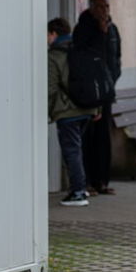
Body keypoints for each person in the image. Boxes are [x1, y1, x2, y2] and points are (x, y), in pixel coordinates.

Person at [47, 17, 96, 207]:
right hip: (87, 107)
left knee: (71, 151)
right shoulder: (81, 48)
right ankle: (82, 186)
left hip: (67, 110)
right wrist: (97, 107)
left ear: (54, 34)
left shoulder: (54, 55)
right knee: (78, 149)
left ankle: (78, 192)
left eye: (47, 35)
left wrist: (49, 111)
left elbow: (51, 88)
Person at [77, 0, 123, 195]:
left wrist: (111, 81)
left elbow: (116, 58)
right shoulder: (84, 28)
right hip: (89, 94)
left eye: (107, 6)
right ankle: (86, 181)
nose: (105, 10)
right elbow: (82, 57)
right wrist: (100, 33)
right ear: (92, 8)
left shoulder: (112, 29)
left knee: (103, 138)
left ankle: (102, 181)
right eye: (100, 7)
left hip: (106, 93)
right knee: (88, 138)